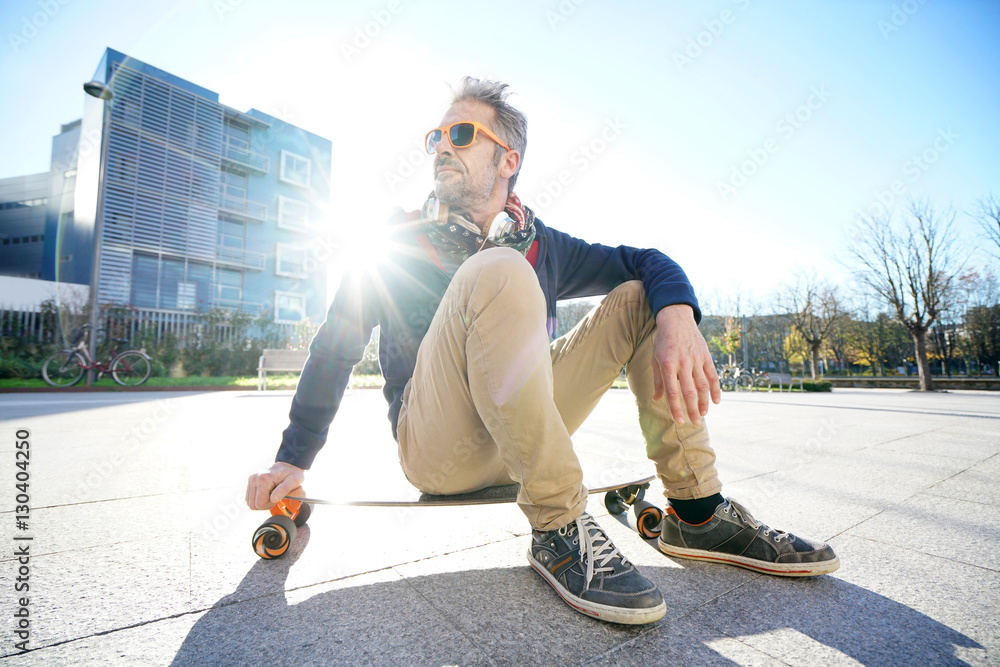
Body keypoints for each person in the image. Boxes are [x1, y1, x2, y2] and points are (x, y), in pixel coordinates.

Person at [246, 77, 839, 626]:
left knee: (642, 296)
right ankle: (559, 526)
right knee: (498, 270)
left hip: (526, 434)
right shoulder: (396, 242)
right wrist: (292, 459)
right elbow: (334, 347)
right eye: (435, 137)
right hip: (438, 447)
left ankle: (700, 514)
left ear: (509, 160)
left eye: (460, 134)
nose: (440, 148)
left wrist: (678, 313)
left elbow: (646, 260)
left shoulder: (542, 244)